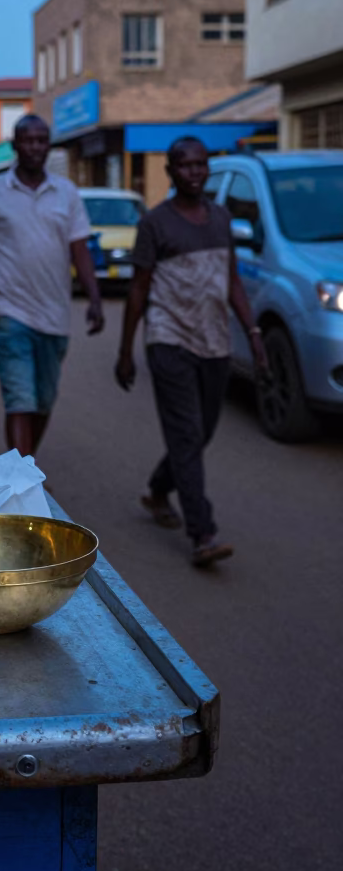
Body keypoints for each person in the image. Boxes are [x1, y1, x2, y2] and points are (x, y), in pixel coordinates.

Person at [115, 136, 269, 568]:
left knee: (201, 433)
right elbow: (139, 288)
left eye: (201, 165)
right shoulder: (155, 223)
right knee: (186, 433)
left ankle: (159, 488)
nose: (195, 173)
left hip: (214, 341)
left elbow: (232, 279)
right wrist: (126, 350)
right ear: (171, 171)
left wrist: (253, 333)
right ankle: (203, 533)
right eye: (185, 166)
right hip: (169, 338)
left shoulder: (220, 218)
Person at [0, 114, 104, 458]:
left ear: (48, 145)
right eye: (28, 140)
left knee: (43, 400)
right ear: (15, 146)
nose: (35, 147)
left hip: (54, 313)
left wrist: (95, 298)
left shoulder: (66, 193)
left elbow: (80, 249)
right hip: (8, 311)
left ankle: (25, 466)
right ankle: (24, 482)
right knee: (19, 399)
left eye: (42, 140)